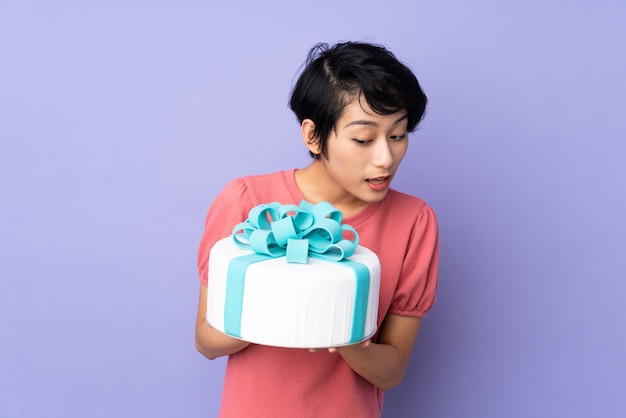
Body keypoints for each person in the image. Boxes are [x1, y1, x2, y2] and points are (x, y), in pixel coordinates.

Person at [195, 41, 439, 417]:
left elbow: (391, 372)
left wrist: (344, 337)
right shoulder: (247, 200)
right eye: (363, 139)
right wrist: (284, 309)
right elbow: (206, 341)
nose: (385, 158)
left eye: (397, 135)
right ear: (313, 136)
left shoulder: (414, 222)